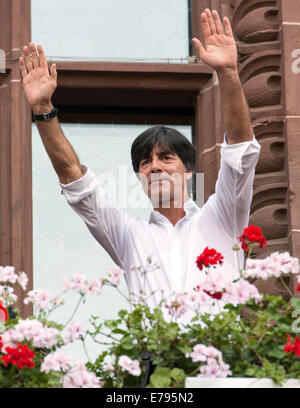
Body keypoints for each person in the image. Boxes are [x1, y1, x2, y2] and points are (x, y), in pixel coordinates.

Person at [19, 9, 260, 322]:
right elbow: (78, 184)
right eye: (146, 162)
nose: (155, 167)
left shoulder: (223, 216)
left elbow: (240, 153)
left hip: (216, 367)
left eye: (166, 157)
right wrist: (42, 109)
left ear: (189, 171)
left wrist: (228, 72)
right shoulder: (129, 234)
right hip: (151, 368)